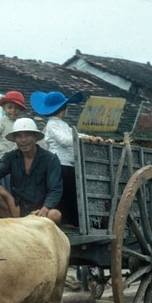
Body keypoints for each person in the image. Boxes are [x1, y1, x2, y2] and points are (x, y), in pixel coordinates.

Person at [0, 117, 63, 225]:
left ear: (35, 138)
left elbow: (55, 189)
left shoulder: (50, 159)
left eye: (27, 135)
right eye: (19, 136)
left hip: (39, 211)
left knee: (55, 215)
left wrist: (45, 208)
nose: (23, 140)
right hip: (17, 209)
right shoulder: (11, 157)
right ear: (14, 140)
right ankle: (11, 226)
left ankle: (24, 225)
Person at [30, 90, 101, 227]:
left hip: (68, 163)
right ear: (63, 109)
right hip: (58, 163)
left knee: (72, 192)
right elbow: (64, 140)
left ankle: (73, 222)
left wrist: (87, 136)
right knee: (62, 192)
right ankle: (64, 222)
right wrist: (83, 138)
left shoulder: (62, 124)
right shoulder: (52, 124)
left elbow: (74, 134)